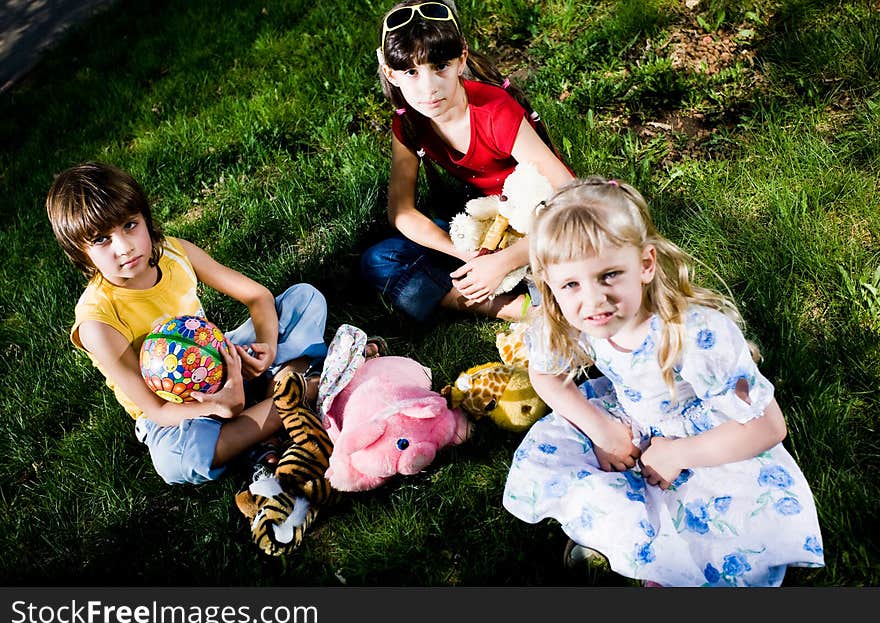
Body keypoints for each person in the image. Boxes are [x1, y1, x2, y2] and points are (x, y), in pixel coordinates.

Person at [502, 177, 825, 587]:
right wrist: (602, 430)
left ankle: (656, 563)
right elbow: (545, 375)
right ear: (550, 282)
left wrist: (678, 453)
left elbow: (767, 427)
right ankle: (618, 544)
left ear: (646, 264)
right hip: (633, 421)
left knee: (718, 530)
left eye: (610, 275)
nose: (593, 300)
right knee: (564, 469)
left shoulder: (691, 334)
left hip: (709, 439)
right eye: (571, 284)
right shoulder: (571, 317)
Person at [46, 161, 330, 486]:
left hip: (221, 359)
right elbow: (157, 411)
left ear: (145, 218)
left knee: (304, 300)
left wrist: (265, 345)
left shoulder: (175, 253)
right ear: (79, 252)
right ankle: (302, 392)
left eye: (129, 225)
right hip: (178, 409)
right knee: (175, 461)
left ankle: (264, 414)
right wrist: (221, 404)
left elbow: (258, 297)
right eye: (101, 240)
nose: (124, 247)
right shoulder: (97, 321)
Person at [360, 1, 575, 322]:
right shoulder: (407, 123)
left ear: (461, 59)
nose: (428, 87)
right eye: (411, 72)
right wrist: (469, 255)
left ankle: (526, 291)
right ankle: (515, 309)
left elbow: (572, 197)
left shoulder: (494, 110)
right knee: (379, 260)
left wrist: (505, 260)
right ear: (391, 73)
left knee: (582, 239)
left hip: (544, 218)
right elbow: (401, 211)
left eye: (440, 67)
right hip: (485, 226)